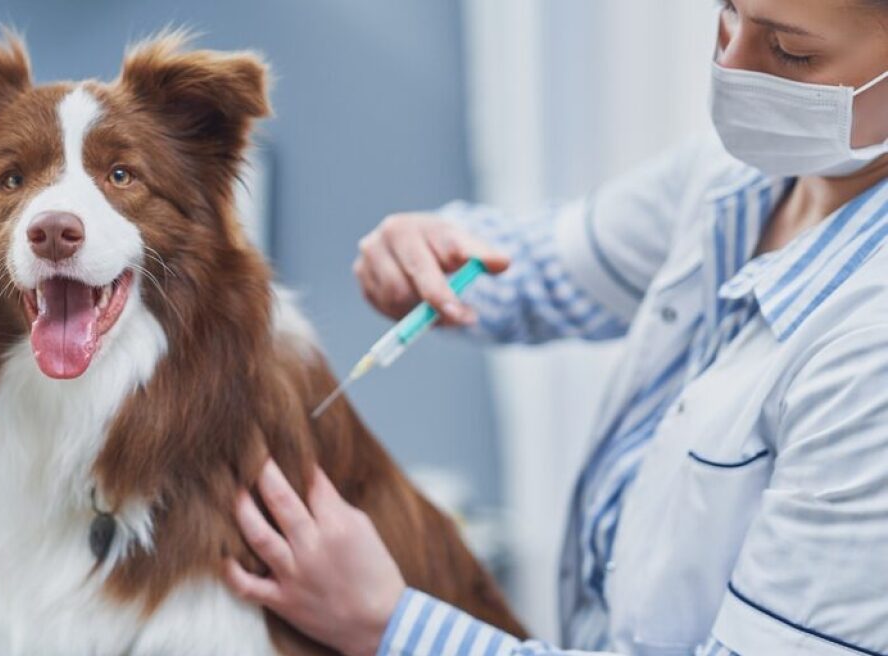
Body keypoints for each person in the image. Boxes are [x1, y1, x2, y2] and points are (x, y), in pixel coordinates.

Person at [222, 1, 888, 655]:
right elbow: (550, 263)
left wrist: (390, 626)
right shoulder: (742, 176)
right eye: (730, 13)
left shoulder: (871, 359)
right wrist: (435, 255)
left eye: (791, 52)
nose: (729, 65)